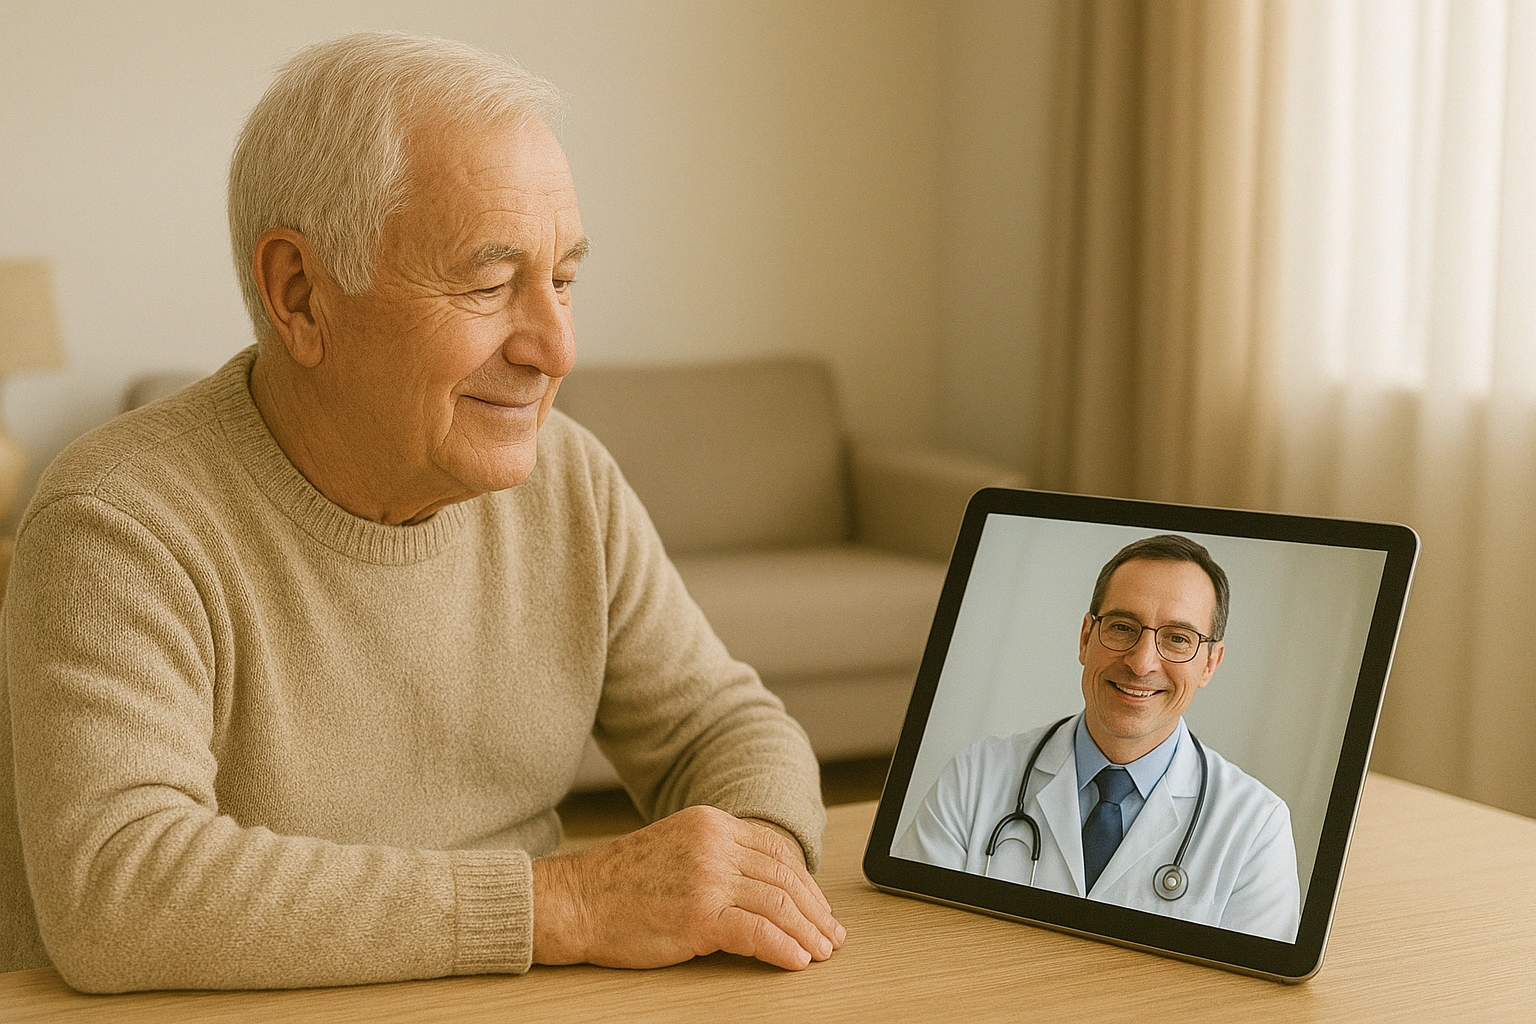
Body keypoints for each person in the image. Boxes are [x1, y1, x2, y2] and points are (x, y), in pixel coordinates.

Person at [0, 32, 844, 991]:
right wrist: (566, 905)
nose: (556, 348)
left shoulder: (570, 479)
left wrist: (751, 868)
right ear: (300, 292)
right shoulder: (118, 522)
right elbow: (122, 891)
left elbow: (721, 724)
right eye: (488, 285)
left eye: (563, 280)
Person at [895, 534, 1301, 942]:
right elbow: (911, 936)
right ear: (1086, 637)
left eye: (1178, 638)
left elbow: (1247, 1000)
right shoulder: (975, 777)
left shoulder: (1256, 828)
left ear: (1210, 664)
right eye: (1123, 628)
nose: (1141, 664)